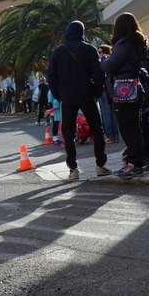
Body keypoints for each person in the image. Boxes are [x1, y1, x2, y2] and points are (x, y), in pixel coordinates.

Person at [47, 21, 111, 181]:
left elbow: (51, 77)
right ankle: (100, 165)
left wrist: (58, 95)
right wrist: (95, 93)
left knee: (68, 133)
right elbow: (99, 74)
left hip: (67, 97)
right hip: (87, 95)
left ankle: (73, 169)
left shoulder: (58, 52)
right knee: (96, 130)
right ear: (81, 32)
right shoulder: (89, 49)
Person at [101, 13, 148, 179]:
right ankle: (133, 161)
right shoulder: (138, 44)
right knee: (133, 126)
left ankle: (134, 163)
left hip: (124, 88)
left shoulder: (123, 44)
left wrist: (103, 60)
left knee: (128, 128)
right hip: (135, 86)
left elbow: (110, 66)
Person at [97, 45, 120, 144]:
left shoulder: (102, 61)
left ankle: (110, 135)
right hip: (114, 90)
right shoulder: (113, 60)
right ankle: (116, 135)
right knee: (113, 113)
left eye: (100, 51)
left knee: (106, 114)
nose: (99, 54)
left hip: (105, 90)